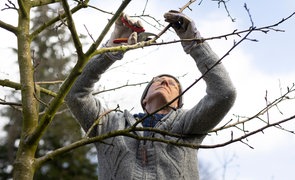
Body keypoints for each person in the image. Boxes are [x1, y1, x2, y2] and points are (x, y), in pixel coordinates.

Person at [66, 10, 236, 180]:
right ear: (144, 100)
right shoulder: (109, 124)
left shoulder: (188, 124)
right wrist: (112, 49)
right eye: (158, 80)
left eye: (174, 85)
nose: (165, 82)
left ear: (178, 103)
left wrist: (195, 44)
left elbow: (224, 93)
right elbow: (75, 93)